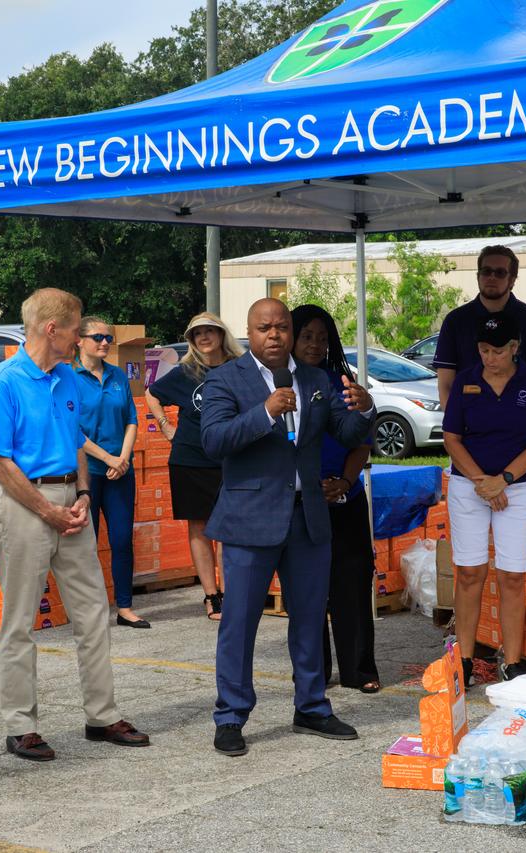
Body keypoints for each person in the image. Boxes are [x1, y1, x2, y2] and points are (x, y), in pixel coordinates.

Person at [0, 288, 150, 761]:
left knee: (93, 611)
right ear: (53, 329)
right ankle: (20, 726)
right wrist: (48, 509)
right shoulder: (3, 382)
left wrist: (85, 494)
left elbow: (76, 443)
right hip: (23, 501)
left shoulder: (68, 380)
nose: (83, 338)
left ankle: (102, 715)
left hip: (71, 498)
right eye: (77, 329)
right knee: (20, 620)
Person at [201, 298, 375, 757]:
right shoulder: (225, 379)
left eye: (281, 327)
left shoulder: (316, 379)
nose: (274, 335)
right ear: (250, 332)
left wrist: (365, 407)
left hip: (307, 515)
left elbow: (349, 433)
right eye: (264, 328)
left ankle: (312, 706)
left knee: (310, 615)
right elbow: (214, 440)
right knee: (240, 622)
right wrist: (265, 412)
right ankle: (231, 715)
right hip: (249, 519)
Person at [443, 311, 526, 685]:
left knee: (512, 575)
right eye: (483, 350)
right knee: (471, 572)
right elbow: (452, 439)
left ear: (514, 347)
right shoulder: (465, 382)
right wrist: (482, 482)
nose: (490, 358)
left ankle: (512, 661)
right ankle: (466, 659)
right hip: (469, 486)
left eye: (497, 351)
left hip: (517, 488)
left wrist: (503, 481)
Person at [291, 304, 382, 694]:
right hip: (301, 500)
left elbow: (361, 443)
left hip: (344, 495)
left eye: (322, 337)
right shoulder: (281, 384)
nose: (314, 344)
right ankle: (314, 673)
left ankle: (359, 670)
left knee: (353, 581)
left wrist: (344, 483)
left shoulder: (343, 383)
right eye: (307, 336)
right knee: (307, 591)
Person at [144, 312, 244, 620]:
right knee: (199, 527)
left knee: (227, 529)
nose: (203, 337)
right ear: (191, 340)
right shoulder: (186, 372)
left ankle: (230, 594)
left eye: (209, 331)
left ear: (220, 334)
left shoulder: (239, 369)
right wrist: (165, 426)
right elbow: (151, 393)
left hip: (229, 458)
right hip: (190, 458)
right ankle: (211, 596)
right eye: (196, 333)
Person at [74, 317, 145, 628]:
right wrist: (107, 458)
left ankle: (125, 607)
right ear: (79, 340)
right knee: (86, 545)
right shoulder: (69, 378)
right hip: (87, 472)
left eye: (109, 337)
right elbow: (72, 429)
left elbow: (132, 418)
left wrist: (123, 457)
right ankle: (89, 611)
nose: (105, 342)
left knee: (121, 540)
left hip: (120, 472)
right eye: (98, 337)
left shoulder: (117, 376)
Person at [432, 244, 526, 409]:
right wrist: (454, 425)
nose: (492, 277)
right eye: (486, 271)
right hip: (470, 427)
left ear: (512, 279)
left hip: (518, 427)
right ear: (478, 276)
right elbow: (446, 385)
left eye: (500, 272)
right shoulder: (455, 321)